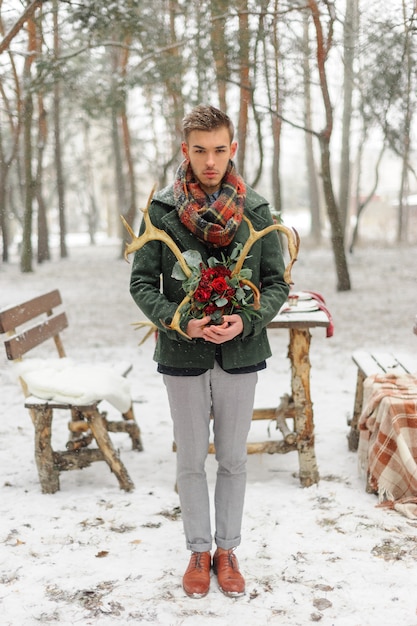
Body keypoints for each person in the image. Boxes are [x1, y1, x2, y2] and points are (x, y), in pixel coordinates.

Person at [129, 104, 289, 598]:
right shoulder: (161, 213)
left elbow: (277, 284)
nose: (211, 161)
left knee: (235, 460)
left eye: (220, 150)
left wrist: (248, 318)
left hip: (240, 355)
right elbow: (141, 282)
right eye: (200, 151)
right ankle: (198, 551)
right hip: (183, 356)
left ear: (232, 149)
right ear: (186, 151)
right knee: (191, 460)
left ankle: (227, 550)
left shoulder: (258, 213)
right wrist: (180, 320)